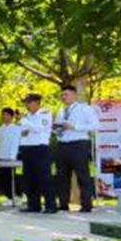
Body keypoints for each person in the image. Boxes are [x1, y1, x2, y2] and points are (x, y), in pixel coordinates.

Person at [53, 85, 99, 213]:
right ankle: (63, 203)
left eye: (66, 94)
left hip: (79, 144)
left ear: (74, 95)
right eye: (62, 95)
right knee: (62, 176)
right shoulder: (61, 110)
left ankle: (86, 204)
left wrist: (75, 127)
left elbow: (95, 125)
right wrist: (56, 129)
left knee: (82, 175)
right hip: (62, 144)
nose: (63, 97)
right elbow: (59, 127)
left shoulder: (85, 108)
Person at [18, 93, 57, 214]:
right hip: (27, 148)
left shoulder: (44, 114)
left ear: (36, 102)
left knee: (44, 178)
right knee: (29, 178)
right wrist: (27, 125)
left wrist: (25, 121)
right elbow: (23, 132)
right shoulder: (28, 116)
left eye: (28, 102)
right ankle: (33, 204)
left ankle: (51, 205)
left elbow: (40, 129)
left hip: (40, 148)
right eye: (26, 102)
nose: (26, 105)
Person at [0, 107, 22, 207]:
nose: (3, 117)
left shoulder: (16, 128)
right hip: (1, 156)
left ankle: (16, 196)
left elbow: (15, 143)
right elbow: (0, 142)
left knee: (11, 177)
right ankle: (9, 197)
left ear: (11, 117)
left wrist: (12, 157)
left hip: (10, 158)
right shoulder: (1, 128)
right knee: (3, 178)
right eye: (2, 115)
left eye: (6, 115)